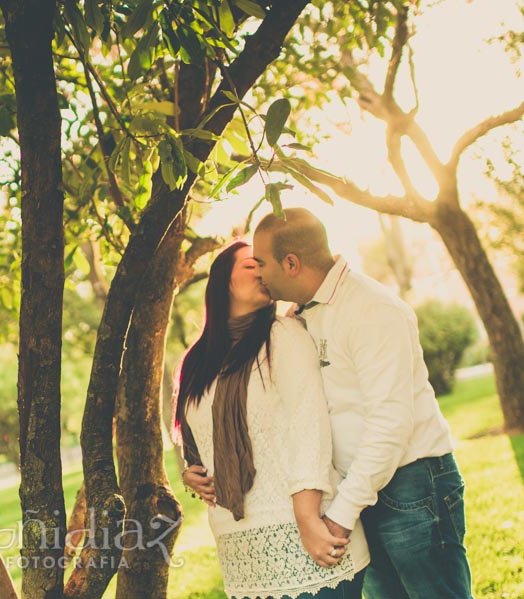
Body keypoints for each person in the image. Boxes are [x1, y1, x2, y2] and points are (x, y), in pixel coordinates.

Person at [252, 207, 473, 599]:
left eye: (261, 263)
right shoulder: (300, 316)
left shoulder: (372, 309)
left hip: (412, 485)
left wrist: (341, 515)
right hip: (359, 492)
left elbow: (390, 424)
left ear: (291, 263)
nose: (258, 273)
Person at [175, 240, 369, 599]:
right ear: (223, 281)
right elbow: (192, 440)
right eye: (252, 265)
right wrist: (192, 473)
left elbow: (309, 426)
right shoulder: (196, 362)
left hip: (303, 534)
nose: (263, 272)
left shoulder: (283, 336)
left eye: (265, 265)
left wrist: (307, 519)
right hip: (240, 548)